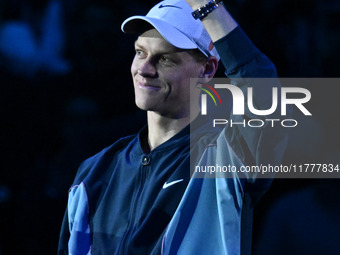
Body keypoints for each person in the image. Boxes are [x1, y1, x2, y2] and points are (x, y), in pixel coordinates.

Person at [58, 0, 290, 254]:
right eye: (140, 53)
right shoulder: (95, 169)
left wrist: (206, 5)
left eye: (165, 59)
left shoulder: (223, 158)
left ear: (207, 69)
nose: (144, 70)